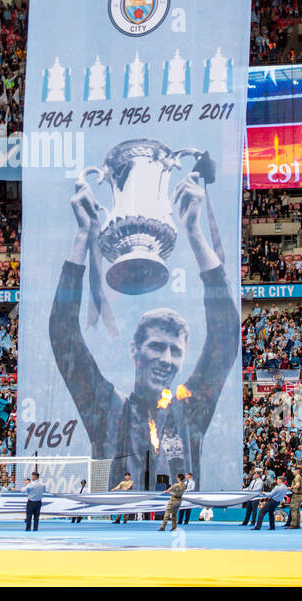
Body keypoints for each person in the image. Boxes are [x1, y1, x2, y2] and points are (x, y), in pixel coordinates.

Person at [51, 171, 239, 489]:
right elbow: (64, 334)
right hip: (116, 529)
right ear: (134, 350)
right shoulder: (106, 409)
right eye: (157, 346)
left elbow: (226, 335)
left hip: (179, 523)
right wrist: (83, 235)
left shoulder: (190, 410)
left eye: (175, 350)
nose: (166, 358)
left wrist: (194, 231)